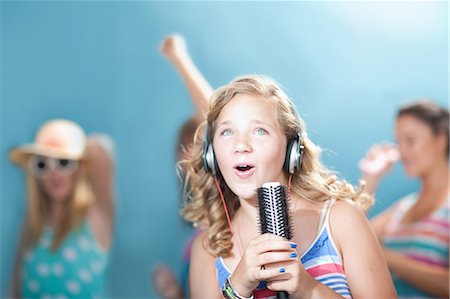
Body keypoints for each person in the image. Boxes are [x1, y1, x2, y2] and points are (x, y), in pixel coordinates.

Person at [181, 75, 397, 298]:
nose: (241, 145)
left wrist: (308, 289)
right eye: (227, 132)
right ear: (211, 156)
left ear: (292, 149)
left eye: (259, 131)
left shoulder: (340, 219)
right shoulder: (208, 250)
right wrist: (237, 287)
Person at [9, 119, 115, 298]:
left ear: (80, 167)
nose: (53, 173)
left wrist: (79, 147)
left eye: (64, 162)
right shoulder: (32, 224)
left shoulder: (96, 216)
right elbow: (15, 289)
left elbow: (102, 151)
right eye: (42, 164)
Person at [359, 100, 449, 298]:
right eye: (398, 142)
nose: (402, 152)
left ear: (440, 139)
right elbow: (354, 240)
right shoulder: (403, 208)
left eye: (410, 140)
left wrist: (389, 258)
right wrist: (370, 178)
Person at [152, 34, 212, 299]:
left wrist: (180, 60)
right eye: (183, 147)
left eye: (199, 143)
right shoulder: (194, 232)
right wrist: (174, 292)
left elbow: (215, 117)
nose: (189, 154)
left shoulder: (237, 206)